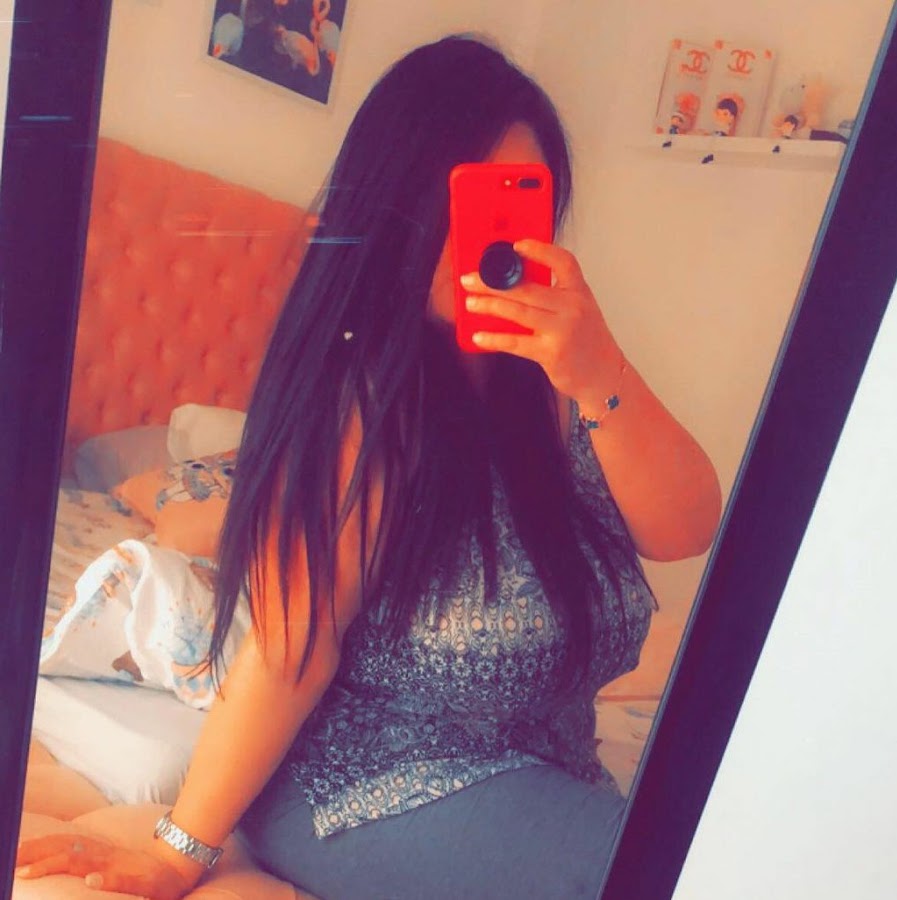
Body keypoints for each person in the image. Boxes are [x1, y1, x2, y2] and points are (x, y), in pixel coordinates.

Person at [15, 35, 721, 899]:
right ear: (400, 208)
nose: (486, 239)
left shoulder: (564, 381)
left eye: (518, 202)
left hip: (543, 775)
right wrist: (175, 852)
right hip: (368, 788)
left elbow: (686, 528)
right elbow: (289, 649)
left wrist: (602, 371)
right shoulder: (368, 407)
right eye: (462, 200)